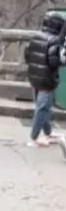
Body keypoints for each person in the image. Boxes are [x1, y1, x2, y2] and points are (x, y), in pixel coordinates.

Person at [24, 11, 66, 149]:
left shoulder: (36, 36)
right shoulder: (54, 41)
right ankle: (34, 138)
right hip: (46, 80)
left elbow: (27, 56)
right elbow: (54, 62)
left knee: (45, 107)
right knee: (42, 108)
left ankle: (47, 132)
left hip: (34, 77)